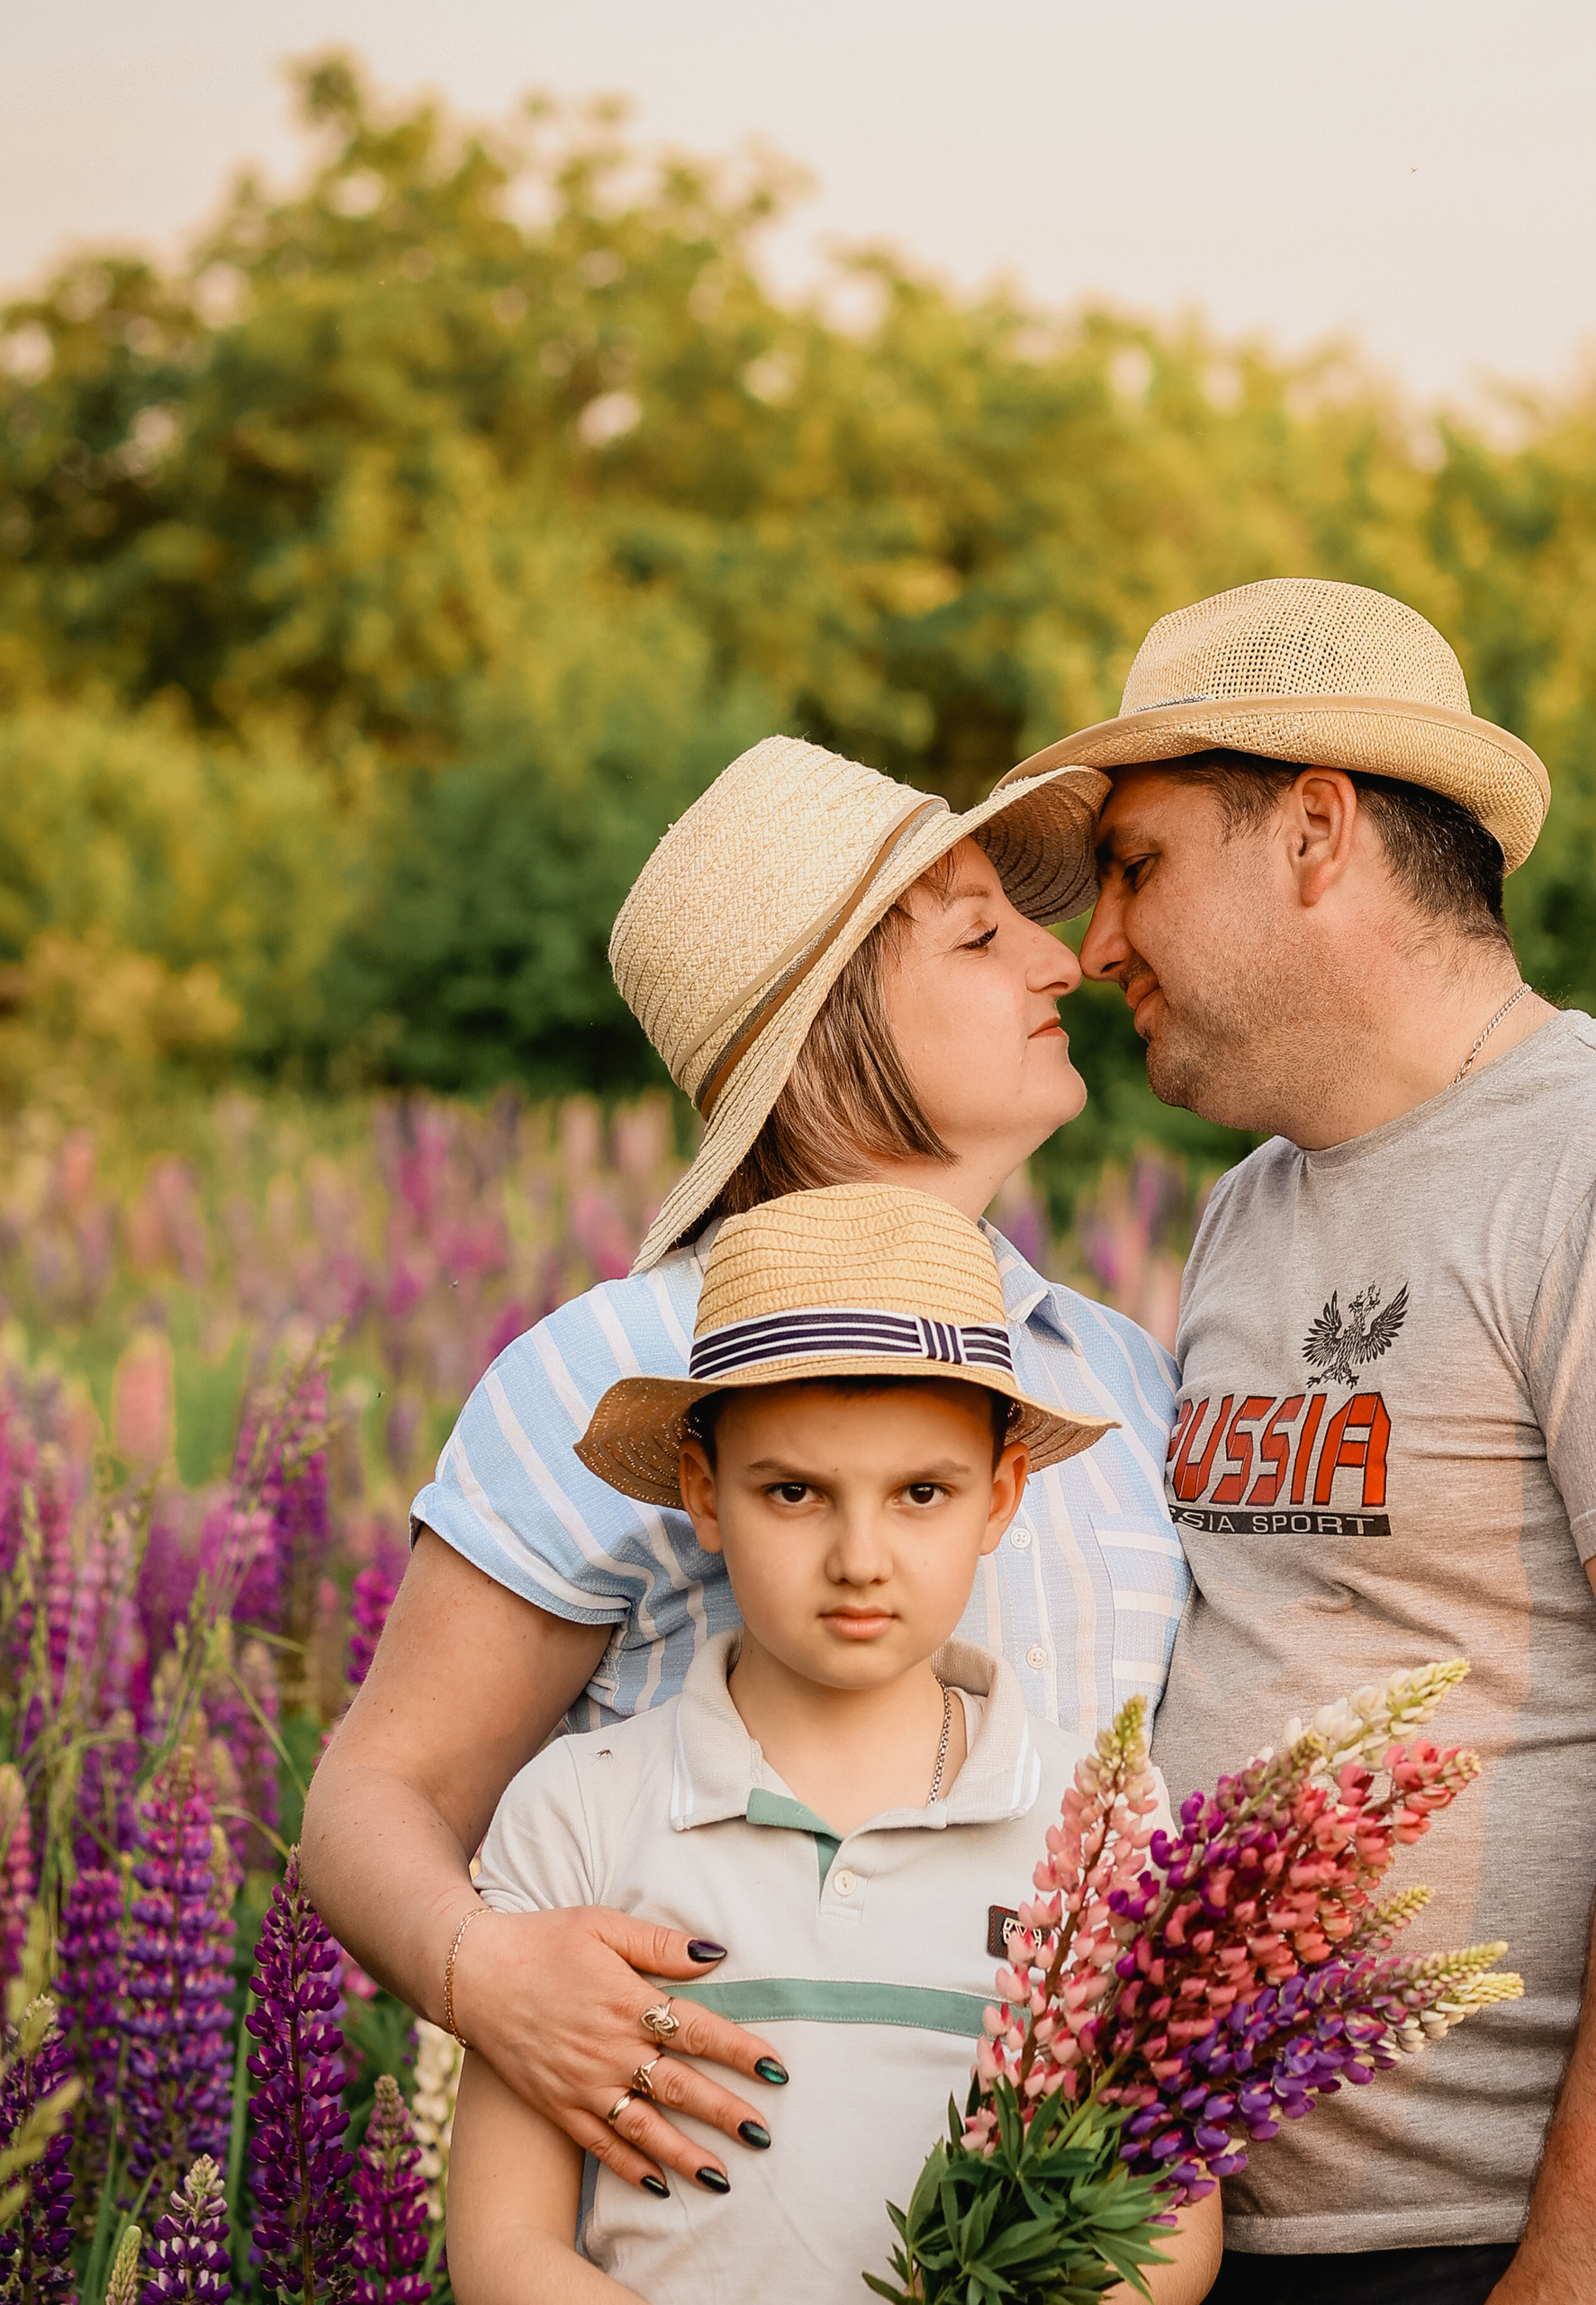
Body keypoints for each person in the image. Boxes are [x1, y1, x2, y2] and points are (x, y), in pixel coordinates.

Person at [993, 578, 1596, 2305]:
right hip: (1231, 2223)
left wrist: (1593, 2241)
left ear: (1315, 830)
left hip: (1550, 2241)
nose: (1095, 946)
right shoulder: (1251, 1206)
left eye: (1141, 863)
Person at [303, 737, 1193, 2202]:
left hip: (1049, 2238)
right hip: (711, 2219)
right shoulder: (615, 1372)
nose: (1061, 962)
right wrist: (485, 1973)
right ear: (827, 1035)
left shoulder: (1106, 1370)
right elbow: (376, 1793)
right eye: (979, 934)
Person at [445, 1183, 1222, 2303]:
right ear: (706, 1495)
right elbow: (505, 2248)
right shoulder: (579, 1805)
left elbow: (1169, 2235)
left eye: (920, 1492)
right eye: (796, 1491)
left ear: (999, 1497)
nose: (861, 1556)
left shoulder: (1097, 1818)